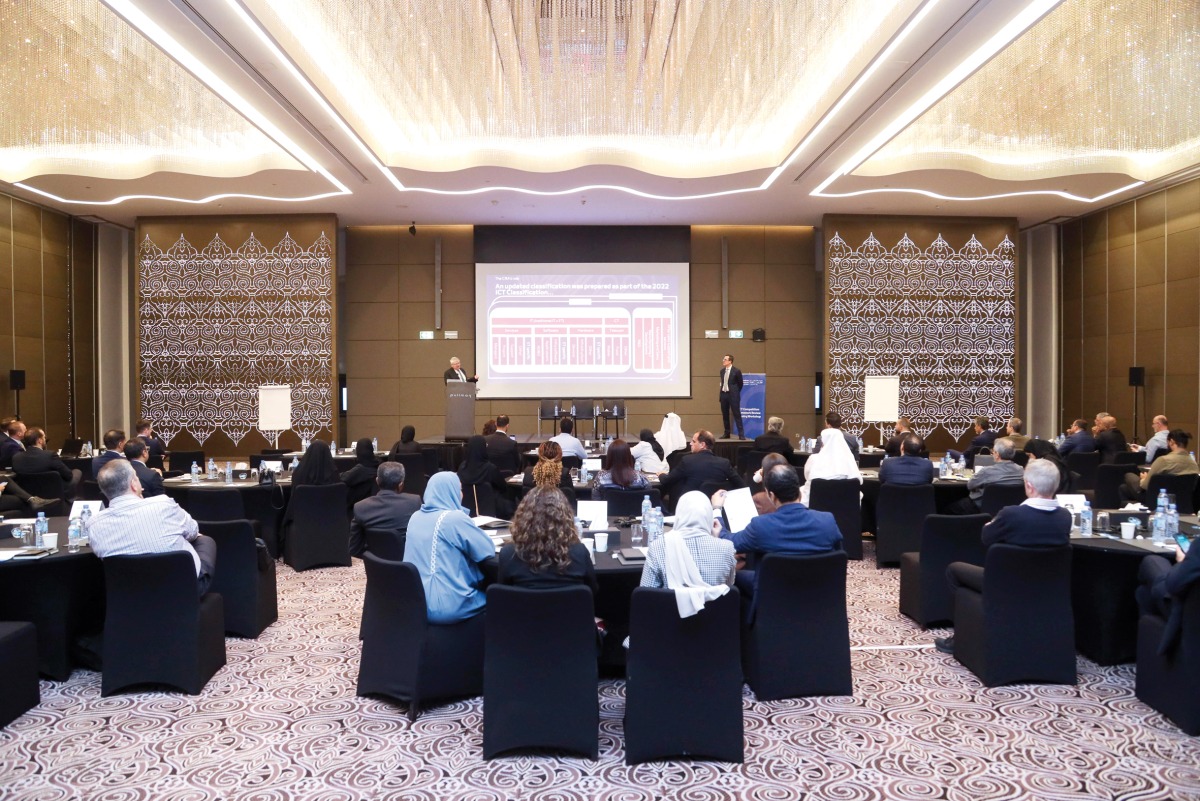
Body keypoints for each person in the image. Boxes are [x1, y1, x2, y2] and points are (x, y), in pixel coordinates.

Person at [936, 459, 1071, 653]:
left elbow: (986, 537)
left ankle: (961, 638)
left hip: (1007, 582)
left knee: (953, 570)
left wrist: (993, 522)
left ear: (1029, 486)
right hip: (1046, 585)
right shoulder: (1065, 517)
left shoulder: (1011, 515)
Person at [718, 464, 842, 612]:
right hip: (819, 598)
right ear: (799, 492)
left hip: (772, 598)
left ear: (771, 495)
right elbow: (838, 557)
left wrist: (717, 511)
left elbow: (729, 542)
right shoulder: (827, 521)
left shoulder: (761, 526)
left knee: (733, 577)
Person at [86, 459, 217, 595]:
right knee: (204, 540)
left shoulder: (94, 524)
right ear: (133, 485)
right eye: (136, 478)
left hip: (130, 592)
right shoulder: (163, 504)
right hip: (183, 588)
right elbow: (193, 531)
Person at [403, 472, 495, 623]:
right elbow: (486, 550)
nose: (461, 495)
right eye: (458, 490)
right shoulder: (453, 519)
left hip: (416, 600)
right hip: (447, 605)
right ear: (449, 492)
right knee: (501, 597)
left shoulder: (415, 516)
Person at [640, 491, 737, 617]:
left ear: (679, 515)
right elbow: (728, 587)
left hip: (666, 629)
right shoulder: (726, 547)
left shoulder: (658, 546)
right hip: (714, 631)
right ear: (709, 517)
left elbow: (646, 597)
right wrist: (716, 539)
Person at [498, 487, 598, 593]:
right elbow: (592, 590)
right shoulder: (580, 552)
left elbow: (503, 592)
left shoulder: (508, 554)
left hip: (523, 608)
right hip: (568, 609)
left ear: (523, 518)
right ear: (565, 518)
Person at [1137, 539, 1200, 655]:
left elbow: (1173, 585)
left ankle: (1149, 657)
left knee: (1151, 561)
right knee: (1143, 592)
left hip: (1188, 612)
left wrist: (1182, 563)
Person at [348, 461, 422, 557]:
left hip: (376, 565)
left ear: (377, 481)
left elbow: (354, 550)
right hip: (409, 562)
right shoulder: (414, 502)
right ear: (401, 485)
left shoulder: (360, 507)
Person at [658, 429, 743, 505]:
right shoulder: (724, 463)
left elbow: (667, 480)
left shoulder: (687, 461)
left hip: (690, 507)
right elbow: (741, 485)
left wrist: (661, 474)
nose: (690, 443)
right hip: (715, 507)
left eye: (694, 441)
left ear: (702, 444)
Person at [948, 436, 1024, 514]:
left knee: (950, 508)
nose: (992, 454)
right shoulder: (1021, 470)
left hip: (981, 507)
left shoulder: (986, 471)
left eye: (993, 452)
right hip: (1011, 508)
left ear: (997, 455)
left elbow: (970, 485)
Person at [1120, 429, 1199, 503]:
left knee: (1129, 475)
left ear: (1171, 442)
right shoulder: (1193, 463)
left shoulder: (1163, 461)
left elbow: (1145, 485)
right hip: (1184, 500)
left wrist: (1143, 479)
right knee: (1124, 488)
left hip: (1158, 499)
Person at [12, 426, 83, 500]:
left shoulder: (16, 457)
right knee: (77, 472)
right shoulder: (49, 455)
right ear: (40, 440)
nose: (45, 439)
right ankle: (71, 500)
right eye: (44, 437)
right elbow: (68, 475)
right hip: (53, 491)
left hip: (27, 493)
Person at [801, 427, 861, 505]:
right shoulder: (849, 459)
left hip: (816, 505)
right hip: (846, 505)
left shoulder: (814, 458)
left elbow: (807, 476)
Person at [457, 434, 508, 515]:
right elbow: (503, 487)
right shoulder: (490, 468)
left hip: (467, 514)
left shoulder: (462, 468)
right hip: (490, 513)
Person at [340, 438, 380, 505]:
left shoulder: (361, 469)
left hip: (356, 503)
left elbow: (343, 478)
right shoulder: (378, 464)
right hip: (371, 501)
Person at [718, 353, 744, 439]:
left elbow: (740, 384)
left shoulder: (736, 371)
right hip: (724, 395)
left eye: (725, 359)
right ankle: (727, 433)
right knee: (725, 415)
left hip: (733, 396)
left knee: (737, 414)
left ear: (730, 361)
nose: (723, 361)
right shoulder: (722, 371)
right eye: (723, 359)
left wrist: (735, 392)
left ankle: (741, 434)